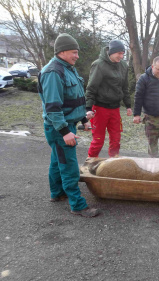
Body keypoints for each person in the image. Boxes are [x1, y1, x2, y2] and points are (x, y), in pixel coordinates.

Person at [38, 33, 100, 217]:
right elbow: (52, 107)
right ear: (62, 51)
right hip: (59, 128)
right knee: (69, 166)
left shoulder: (67, 68)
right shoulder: (53, 73)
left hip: (66, 124)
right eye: (74, 52)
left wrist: (83, 120)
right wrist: (65, 132)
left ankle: (57, 194)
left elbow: (74, 100)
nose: (77, 56)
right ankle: (78, 205)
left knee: (58, 161)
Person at [85, 39, 132, 158]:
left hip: (115, 108)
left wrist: (128, 105)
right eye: (119, 53)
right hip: (100, 108)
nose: (121, 56)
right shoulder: (99, 65)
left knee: (116, 140)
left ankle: (113, 165)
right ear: (111, 52)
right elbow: (91, 87)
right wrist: (88, 108)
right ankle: (90, 163)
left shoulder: (123, 66)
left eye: (123, 54)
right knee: (98, 140)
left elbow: (125, 87)